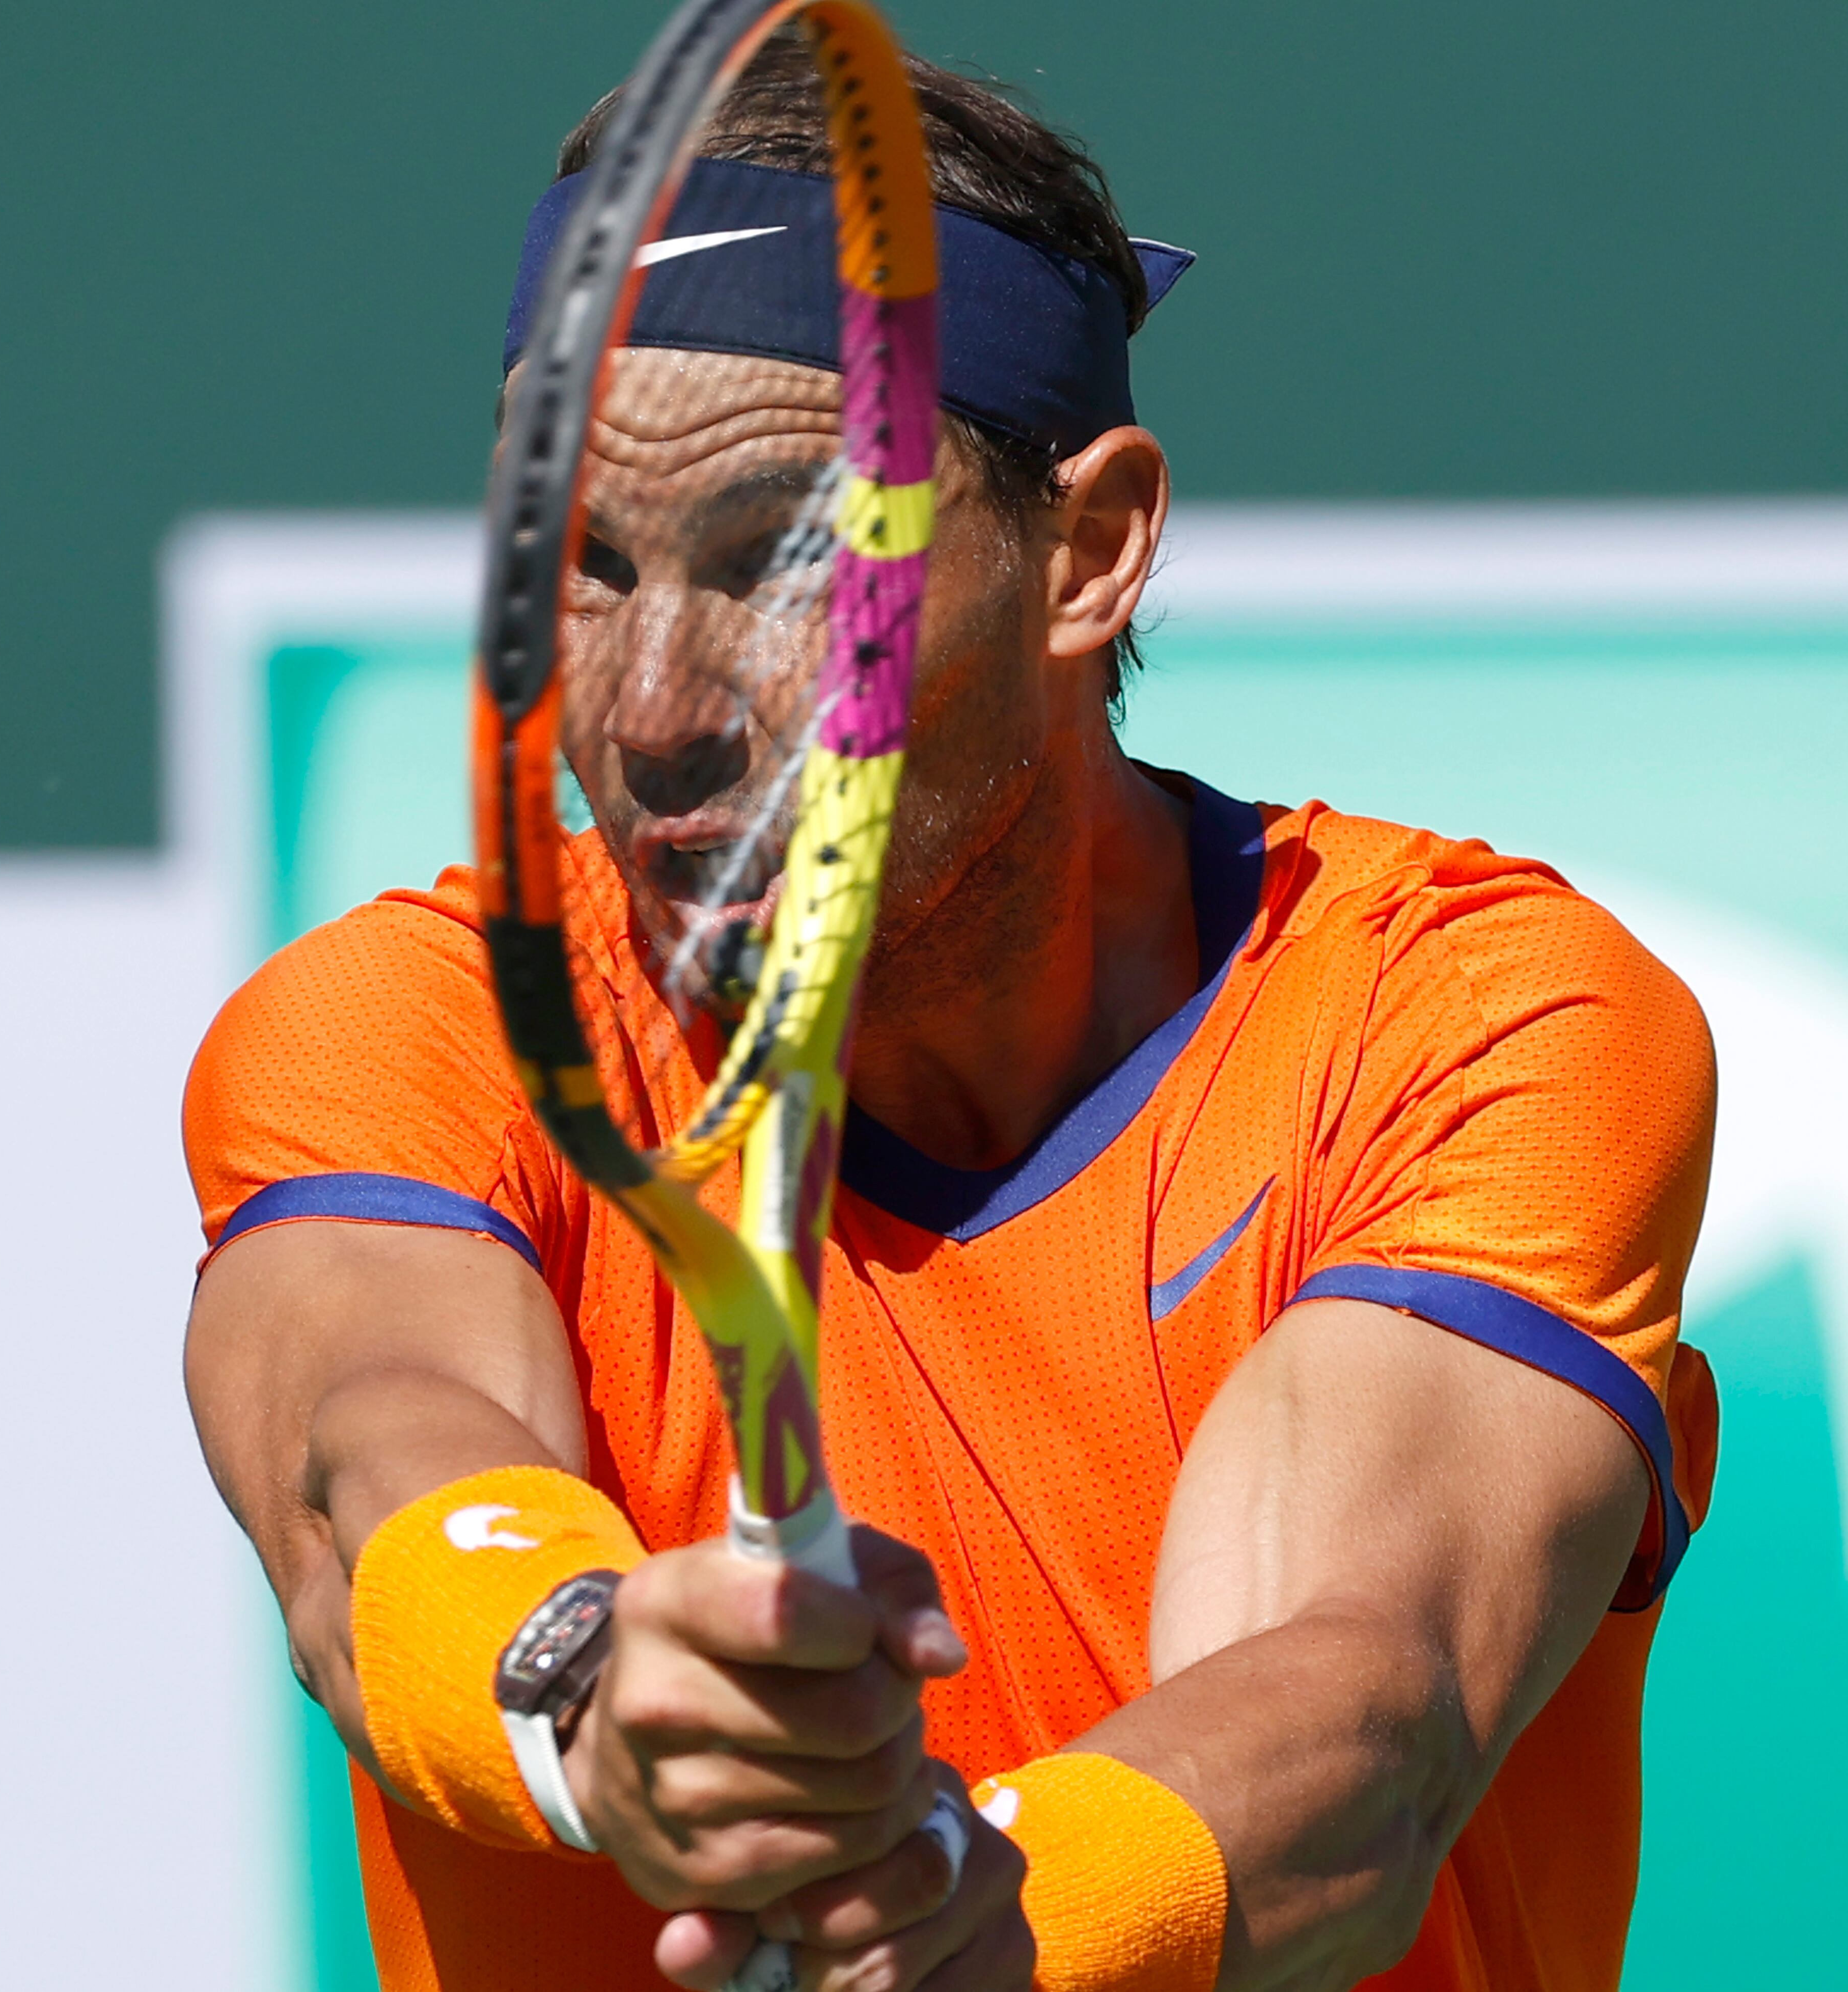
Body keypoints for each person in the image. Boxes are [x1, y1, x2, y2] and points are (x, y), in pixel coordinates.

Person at [183, 36, 1718, 1992]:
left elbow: (1361, 1692)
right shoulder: (412, 1028)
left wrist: (988, 1914)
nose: (649, 708)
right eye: (579, 567)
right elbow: (373, 1463)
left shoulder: (1474, 1018)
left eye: (786, 562)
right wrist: (586, 1681)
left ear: (1089, 550)